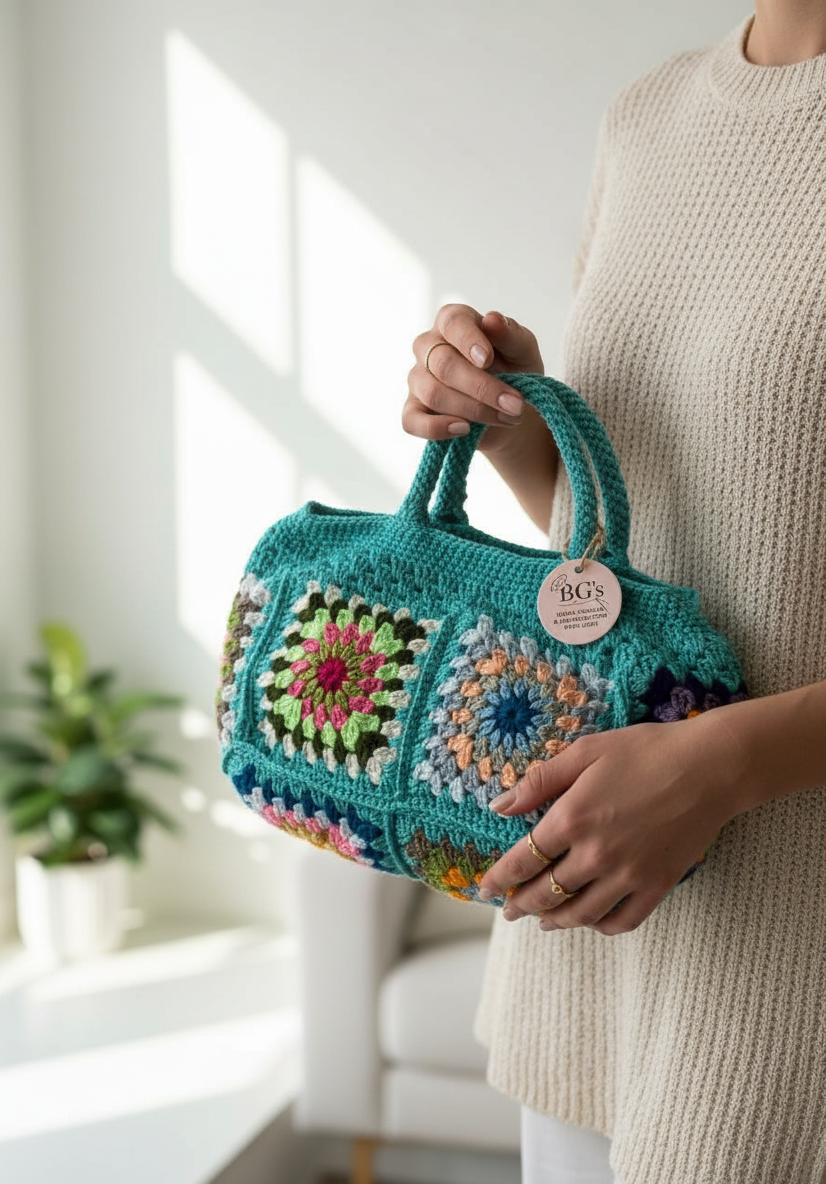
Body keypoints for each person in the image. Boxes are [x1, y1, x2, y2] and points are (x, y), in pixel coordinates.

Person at [401, 4, 826, 1182]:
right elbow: (633, 561)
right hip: (592, 940)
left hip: (792, 982)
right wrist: (515, 423)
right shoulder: (647, 119)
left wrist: (727, 761)